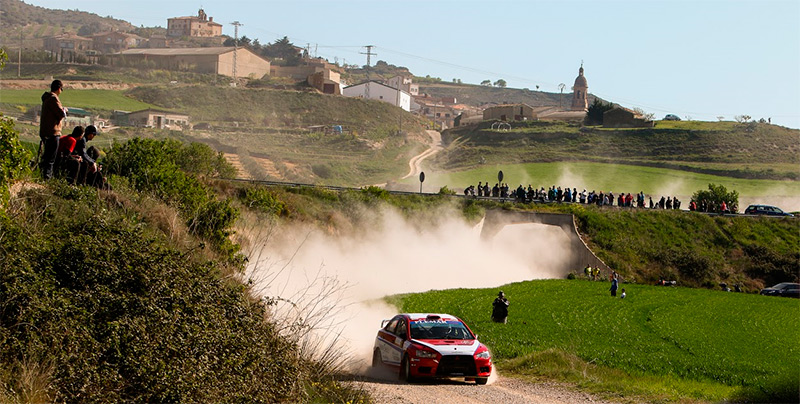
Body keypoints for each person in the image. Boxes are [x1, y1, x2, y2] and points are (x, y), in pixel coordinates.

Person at [39, 79, 67, 179]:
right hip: (53, 132)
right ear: (59, 89)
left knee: (47, 157)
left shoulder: (47, 98)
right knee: (51, 158)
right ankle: (47, 177)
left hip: (45, 131)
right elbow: (60, 114)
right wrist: (65, 110)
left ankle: (44, 175)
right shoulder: (53, 98)